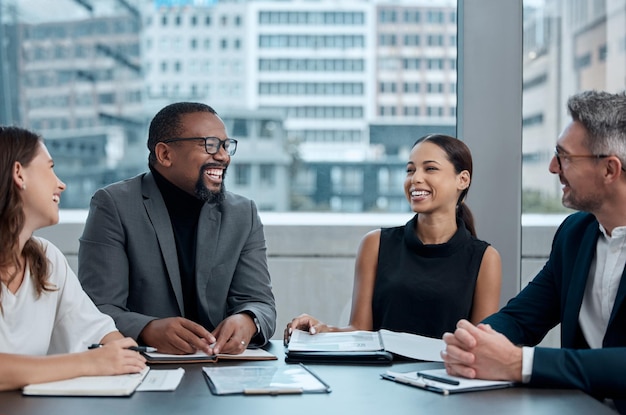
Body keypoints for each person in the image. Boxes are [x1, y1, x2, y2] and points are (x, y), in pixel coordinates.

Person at [442, 90, 626, 413]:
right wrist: (475, 343)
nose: (554, 167)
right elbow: (522, 317)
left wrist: (520, 362)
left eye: (564, 156)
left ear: (610, 170)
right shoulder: (575, 235)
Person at [78, 102, 276, 356]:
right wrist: (148, 328)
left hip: (221, 366)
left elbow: (260, 303)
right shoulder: (114, 205)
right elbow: (97, 307)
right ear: (165, 155)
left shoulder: (242, 213)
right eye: (210, 145)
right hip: (141, 367)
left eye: (226, 146)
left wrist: (248, 321)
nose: (224, 156)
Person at [285, 134, 502, 341]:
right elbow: (359, 330)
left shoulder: (485, 258)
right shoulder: (375, 244)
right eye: (410, 170)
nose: (415, 179)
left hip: (446, 377)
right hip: (380, 377)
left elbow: (477, 346)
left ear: (462, 179)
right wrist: (320, 329)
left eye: (430, 169)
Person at [0, 126, 145, 391]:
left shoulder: (46, 258)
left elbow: (99, 332)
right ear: (19, 174)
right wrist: (90, 363)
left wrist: (121, 353)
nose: (61, 183)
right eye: (50, 168)